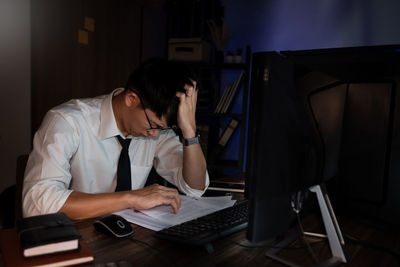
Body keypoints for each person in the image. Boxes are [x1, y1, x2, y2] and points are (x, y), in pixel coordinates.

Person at [22, 58, 209, 220]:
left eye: (163, 129)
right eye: (154, 125)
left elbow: (195, 187)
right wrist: (131, 198)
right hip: (72, 239)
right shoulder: (68, 122)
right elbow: (38, 203)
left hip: (123, 239)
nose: (155, 134)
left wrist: (189, 132)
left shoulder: (157, 131)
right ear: (131, 99)